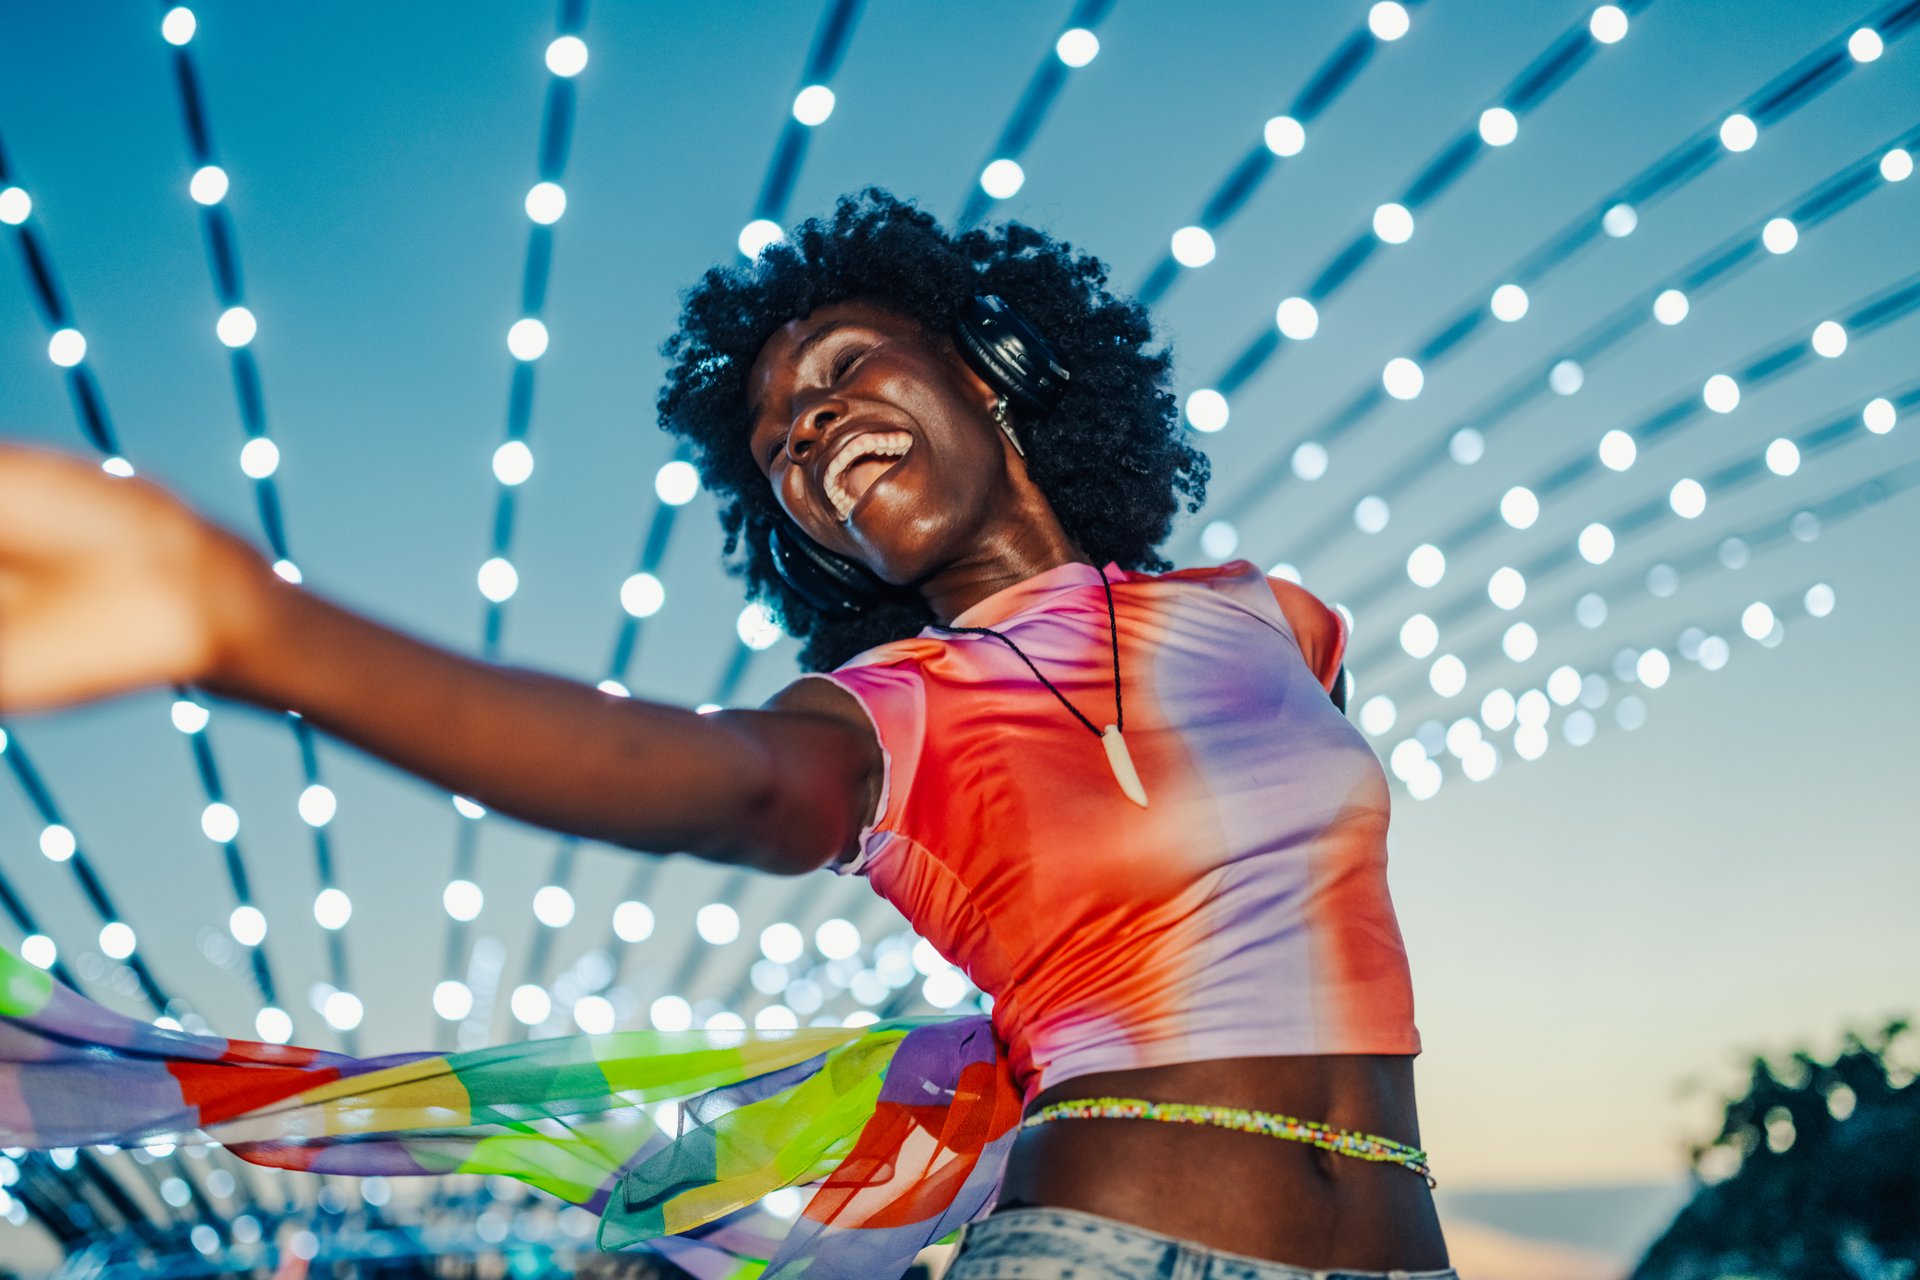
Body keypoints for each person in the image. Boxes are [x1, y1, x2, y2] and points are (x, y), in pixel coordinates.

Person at [0, 188, 1451, 1279]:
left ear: (991, 367)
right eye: (778, 451)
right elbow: (721, 787)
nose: (808, 436)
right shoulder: (892, 711)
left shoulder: (1282, 621)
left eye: (840, 375)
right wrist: (251, 629)